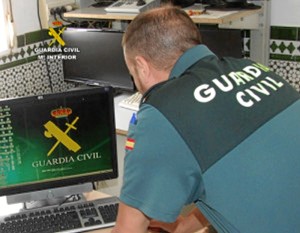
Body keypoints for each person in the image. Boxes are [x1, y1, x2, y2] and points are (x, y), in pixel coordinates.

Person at [112, 5, 300, 233]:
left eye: (133, 75)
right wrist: (183, 227)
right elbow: (236, 182)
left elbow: (128, 230)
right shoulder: (253, 69)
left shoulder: (162, 114)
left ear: (141, 66)